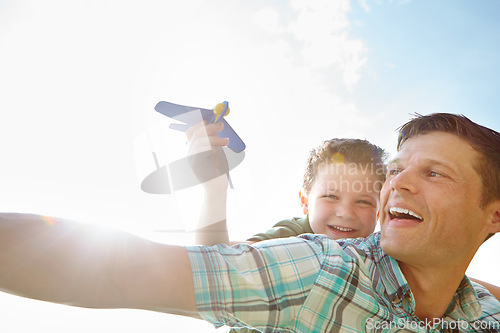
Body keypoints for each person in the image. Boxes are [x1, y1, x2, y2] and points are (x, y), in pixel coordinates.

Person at [0, 113, 500, 332]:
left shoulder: (471, 305)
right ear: (304, 199)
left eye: (433, 173)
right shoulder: (307, 260)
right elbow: (204, 266)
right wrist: (214, 186)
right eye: (397, 172)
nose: (346, 214)